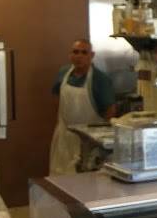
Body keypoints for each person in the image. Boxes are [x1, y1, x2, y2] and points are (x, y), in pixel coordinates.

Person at [49, 38, 118, 174]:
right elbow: (56, 97)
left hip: (89, 140)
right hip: (64, 136)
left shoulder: (100, 79)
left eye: (84, 52)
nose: (79, 56)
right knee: (60, 176)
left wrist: (99, 136)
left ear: (91, 55)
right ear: (70, 55)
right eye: (75, 52)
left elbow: (110, 110)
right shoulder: (63, 73)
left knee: (84, 178)